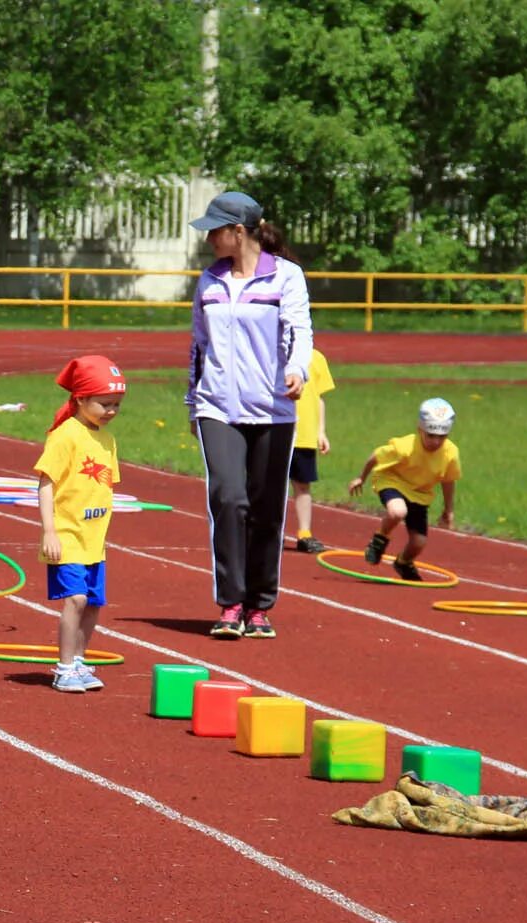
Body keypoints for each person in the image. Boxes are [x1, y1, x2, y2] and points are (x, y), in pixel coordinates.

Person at [185, 190, 313, 640]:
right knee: (227, 497)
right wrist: (192, 400)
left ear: (238, 232)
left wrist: (297, 371)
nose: (208, 240)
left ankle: (258, 606)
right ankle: (230, 602)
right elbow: (199, 346)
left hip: (273, 409)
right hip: (216, 405)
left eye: (214, 231)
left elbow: (300, 332)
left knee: (264, 508)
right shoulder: (209, 281)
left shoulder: (286, 278)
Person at [37, 356, 124, 694]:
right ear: (81, 399)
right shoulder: (65, 436)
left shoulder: (106, 438)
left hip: (94, 540)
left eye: (117, 404)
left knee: (93, 602)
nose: (112, 410)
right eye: (105, 403)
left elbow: (105, 486)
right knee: (75, 600)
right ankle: (63, 667)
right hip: (68, 535)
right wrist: (49, 530)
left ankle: (79, 662)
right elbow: (46, 482)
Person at [348, 398, 460, 582]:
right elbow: (375, 456)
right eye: (431, 435)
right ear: (420, 429)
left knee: (419, 543)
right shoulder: (405, 447)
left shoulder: (450, 454)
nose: (436, 441)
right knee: (398, 511)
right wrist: (361, 477)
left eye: (442, 437)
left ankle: (403, 562)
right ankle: (380, 539)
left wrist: (448, 510)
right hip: (393, 481)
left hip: (420, 493)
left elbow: (448, 481)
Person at [289, 349, 336, 553]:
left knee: (303, 484)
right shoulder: (272, 352)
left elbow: (318, 398)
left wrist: (321, 432)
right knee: (270, 485)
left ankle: (304, 533)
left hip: (305, 433)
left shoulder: (316, 358)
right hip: (276, 431)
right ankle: (268, 530)